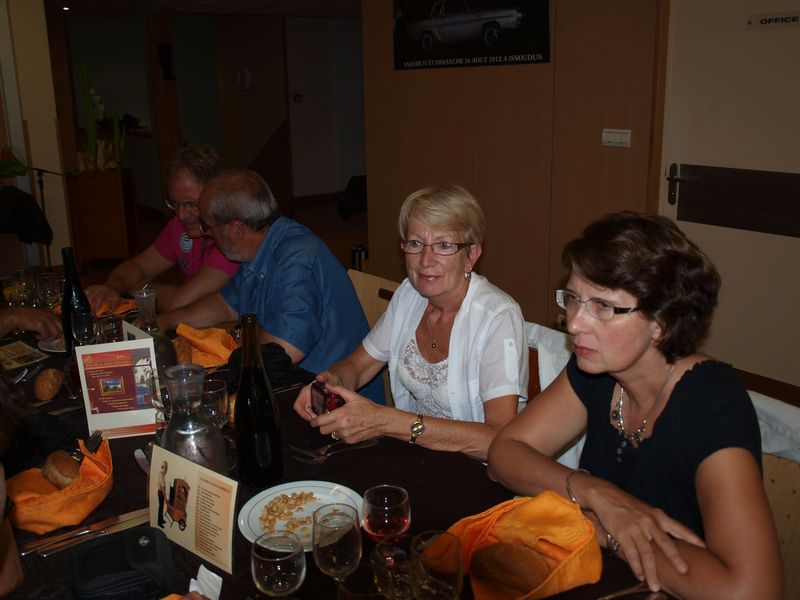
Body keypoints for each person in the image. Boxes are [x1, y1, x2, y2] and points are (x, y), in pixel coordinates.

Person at [487, 212, 783, 599]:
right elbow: (505, 453)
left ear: (662, 321)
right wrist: (595, 494)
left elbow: (754, 591)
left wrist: (610, 532)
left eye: (603, 307)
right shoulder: (598, 371)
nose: (574, 324)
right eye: (573, 299)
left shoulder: (713, 404)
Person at [293, 185, 528, 460]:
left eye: (444, 245)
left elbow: (497, 438)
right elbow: (357, 366)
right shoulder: (409, 295)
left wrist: (385, 421)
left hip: (476, 469)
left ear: (471, 255)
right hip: (417, 456)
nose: (425, 261)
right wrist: (330, 382)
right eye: (416, 243)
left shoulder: (498, 317)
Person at [158, 169, 384, 403]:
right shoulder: (256, 248)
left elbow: (283, 351)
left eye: (208, 227)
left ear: (237, 229)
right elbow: (224, 305)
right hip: (294, 386)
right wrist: (168, 320)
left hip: (333, 401)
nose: (207, 235)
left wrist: (237, 330)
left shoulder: (296, 258)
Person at [85, 145, 238, 312]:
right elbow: (138, 266)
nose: (181, 215)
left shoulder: (230, 237)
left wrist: (140, 288)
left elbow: (179, 302)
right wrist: (111, 287)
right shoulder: (180, 226)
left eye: (192, 204)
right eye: (175, 203)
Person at [157, 460, 167, 529]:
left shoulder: (162, 474)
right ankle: (159, 522)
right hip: (161, 493)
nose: (166, 470)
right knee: (161, 507)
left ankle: (161, 519)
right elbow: (163, 488)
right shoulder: (161, 475)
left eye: (167, 468)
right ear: (162, 467)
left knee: (161, 507)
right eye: (165, 468)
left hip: (161, 492)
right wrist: (165, 498)